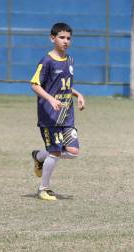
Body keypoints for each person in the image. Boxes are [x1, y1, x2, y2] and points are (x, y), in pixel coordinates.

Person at [30, 22, 86, 201]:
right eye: (62, 37)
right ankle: (43, 189)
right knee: (55, 151)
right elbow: (35, 85)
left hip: (66, 114)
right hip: (50, 115)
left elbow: (65, 86)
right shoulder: (46, 61)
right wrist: (51, 99)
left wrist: (78, 94)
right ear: (52, 38)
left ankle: (39, 156)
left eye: (68, 38)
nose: (66, 41)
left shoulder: (70, 60)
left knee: (72, 152)